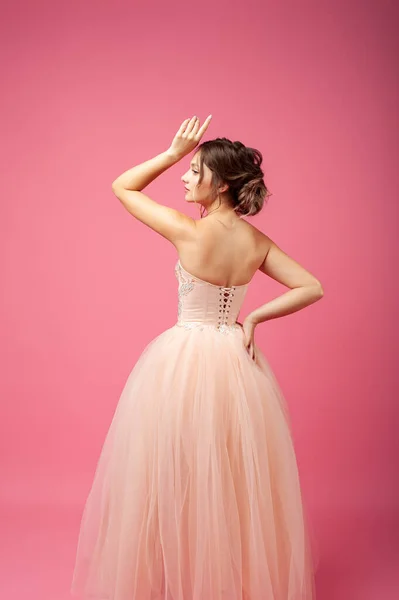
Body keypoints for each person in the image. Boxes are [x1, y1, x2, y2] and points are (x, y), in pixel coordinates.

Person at [70, 115, 323, 600]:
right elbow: (312, 286)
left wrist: (168, 153)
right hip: (235, 362)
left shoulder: (188, 232)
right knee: (230, 476)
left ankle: (183, 580)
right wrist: (252, 320)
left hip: (183, 361)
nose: (185, 178)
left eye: (193, 171)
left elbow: (123, 187)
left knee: (174, 470)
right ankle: (222, 581)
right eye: (184, 170)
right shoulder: (255, 242)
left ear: (221, 183)